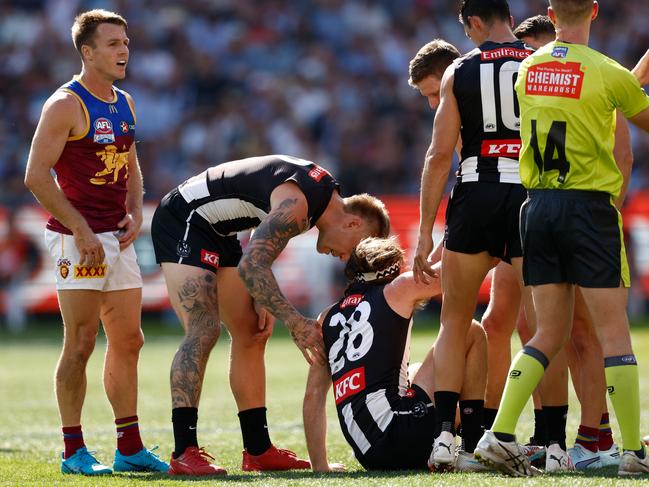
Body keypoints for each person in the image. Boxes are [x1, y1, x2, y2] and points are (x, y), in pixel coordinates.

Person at [475, 0, 649, 477]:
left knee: (547, 333)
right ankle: (632, 452)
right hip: (588, 208)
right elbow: (626, 104)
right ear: (595, 11)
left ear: (550, 14)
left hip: (537, 208)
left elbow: (582, 93)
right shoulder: (608, 71)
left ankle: (499, 435)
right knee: (614, 334)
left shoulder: (526, 68)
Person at [151, 154, 390, 476]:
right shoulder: (302, 205)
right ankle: (184, 451)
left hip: (222, 229)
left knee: (252, 333)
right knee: (203, 330)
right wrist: (295, 322)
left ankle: (258, 449)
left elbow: (261, 231)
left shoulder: (319, 198)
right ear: (352, 223)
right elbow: (253, 264)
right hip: (185, 218)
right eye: (355, 249)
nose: (346, 260)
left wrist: (263, 291)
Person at [23, 9, 168, 476]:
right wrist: (82, 229)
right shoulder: (65, 104)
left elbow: (130, 161)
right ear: (87, 52)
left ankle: (129, 446)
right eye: (112, 43)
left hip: (116, 238)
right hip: (76, 241)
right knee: (82, 341)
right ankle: (72, 451)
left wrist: (134, 210)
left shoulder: (123, 101)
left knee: (129, 339)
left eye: (125, 41)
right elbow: (35, 176)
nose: (123, 49)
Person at [411, 0, 542, 470]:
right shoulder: (537, 63)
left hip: (475, 192)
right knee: (542, 328)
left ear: (473, 23)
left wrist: (425, 232)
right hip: (529, 195)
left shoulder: (459, 70)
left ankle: (446, 437)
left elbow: (438, 155)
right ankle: (547, 441)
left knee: (454, 321)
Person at [302, 237, 487, 472]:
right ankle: (473, 446)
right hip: (402, 433)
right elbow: (458, 269)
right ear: (396, 268)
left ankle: (452, 439)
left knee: (415, 371)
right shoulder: (397, 289)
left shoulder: (326, 316)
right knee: (470, 330)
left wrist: (320, 465)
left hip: (369, 455)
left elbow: (313, 395)